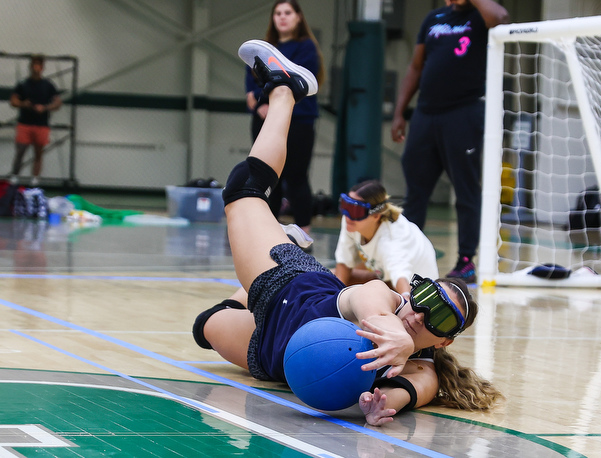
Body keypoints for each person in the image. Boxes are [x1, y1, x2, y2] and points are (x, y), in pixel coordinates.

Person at [193, 40, 501, 425]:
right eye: (426, 298)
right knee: (243, 190)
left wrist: (381, 405)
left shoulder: (423, 369)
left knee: (205, 325)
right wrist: (398, 336)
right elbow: (371, 305)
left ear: (444, 341)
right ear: (413, 291)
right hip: (287, 287)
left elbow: (409, 393)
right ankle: (287, 88)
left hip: (273, 354)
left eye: (438, 319)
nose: (421, 315)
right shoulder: (384, 298)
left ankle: (270, 250)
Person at [391, 0, 509, 284]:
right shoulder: (434, 18)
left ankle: (466, 261)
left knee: (466, 188)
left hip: (464, 112)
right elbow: (416, 67)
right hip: (426, 114)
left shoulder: (482, 15)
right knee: (416, 191)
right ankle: (408, 257)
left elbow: (501, 18)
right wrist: (400, 112)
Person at [245, 0, 324, 237]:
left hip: (299, 121)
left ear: (298, 17)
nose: (282, 17)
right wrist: (263, 105)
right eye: (278, 13)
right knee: (266, 174)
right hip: (263, 118)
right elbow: (251, 92)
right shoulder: (262, 48)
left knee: (297, 176)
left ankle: (303, 232)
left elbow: (300, 86)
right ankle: (270, 231)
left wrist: (276, 103)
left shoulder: (307, 47)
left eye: (288, 12)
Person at [334, 180, 439, 297]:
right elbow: (344, 262)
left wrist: (406, 299)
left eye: (355, 210)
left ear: (376, 215)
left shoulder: (393, 239)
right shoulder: (351, 221)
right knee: (330, 278)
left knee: (369, 299)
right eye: (345, 206)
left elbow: (400, 275)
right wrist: (334, 297)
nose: (347, 216)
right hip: (384, 276)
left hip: (417, 290)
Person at [9, 54, 62, 186]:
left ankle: (35, 179)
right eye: (34, 65)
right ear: (31, 67)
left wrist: (45, 108)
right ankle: (14, 176)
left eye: (39, 65)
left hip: (41, 124)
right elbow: (13, 101)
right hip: (24, 123)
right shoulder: (23, 84)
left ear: (42, 68)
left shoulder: (48, 85)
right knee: (20, 151)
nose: (36, 68)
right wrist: (23, 104)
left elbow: (57, 103)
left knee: (38, 153)